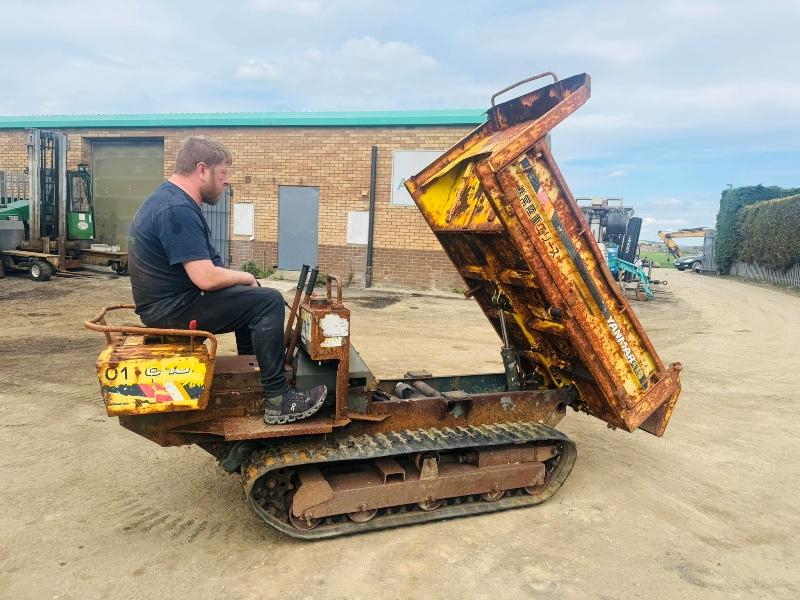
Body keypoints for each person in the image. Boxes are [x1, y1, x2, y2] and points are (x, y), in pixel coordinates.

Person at [127, 136, 326, 424]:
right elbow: (205, 278)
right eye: (223, 174)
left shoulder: (173, 200)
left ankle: (253, 375)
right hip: (170, 310)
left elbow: (209, 270)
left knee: (250, 297)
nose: (227, 182)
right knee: (268, 301)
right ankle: (278, 399)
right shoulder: (177, 209)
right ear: (202, 170)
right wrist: (247, 276)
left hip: (170, 302)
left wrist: (242, 283)